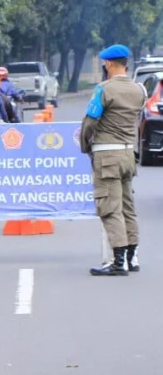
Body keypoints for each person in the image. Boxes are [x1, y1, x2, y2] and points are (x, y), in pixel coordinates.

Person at [80, 44, 147, 276]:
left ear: (108, 64)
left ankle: (118, 263)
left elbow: (90, 122)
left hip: (107, 157)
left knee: (110, 208)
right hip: (128, 155)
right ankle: (132, 258)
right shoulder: (139, 89)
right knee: (128, 207)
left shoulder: (104, 89)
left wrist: (84, 145)